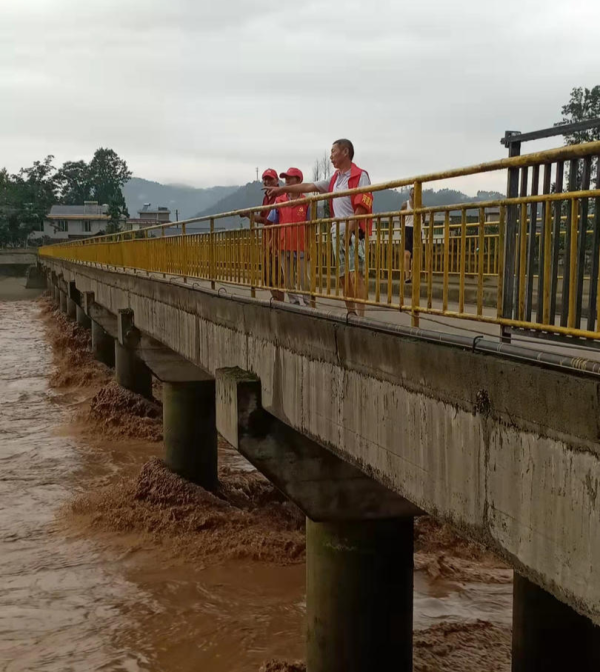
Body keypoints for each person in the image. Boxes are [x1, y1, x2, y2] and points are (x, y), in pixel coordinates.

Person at [266, 139, 373, 316]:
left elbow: (362, 205)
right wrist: (279, 191)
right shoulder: (335, 179)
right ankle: (351, 313)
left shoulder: (360, 175)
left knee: (356, 274)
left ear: (345, 152)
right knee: (343, 275)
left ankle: (362, 316)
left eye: (333, 151)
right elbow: (310, 185)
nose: (330, 156)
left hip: (353, 231)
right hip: (336, 230)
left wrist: (349, 229)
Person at [267, 168, 310, 306]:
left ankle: (309, 301)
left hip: (301, 243)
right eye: (286, 178)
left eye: (290, 178)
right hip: (284, 243)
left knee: (304, 277)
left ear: (298, 181)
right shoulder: (279, 200)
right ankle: (294, 302)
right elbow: (274, 222)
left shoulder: (307, 201)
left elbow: (310, 225)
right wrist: (273, 242)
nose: (287, 181)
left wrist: (310, 246)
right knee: (289, 277)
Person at [241, 169, 284, 301]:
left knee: (277, 276)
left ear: (276, 181)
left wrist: (274, 240)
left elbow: (274, 220)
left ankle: (281, 303)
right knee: (268, 276)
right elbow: (264, 219)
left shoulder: (280, 196)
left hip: (276, 239)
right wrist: (250, 215)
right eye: (265, 179)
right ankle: (277, 301)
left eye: (270, 179)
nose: (267, 181)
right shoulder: (266, 197)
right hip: (266, 239)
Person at [400, 187, 414, 283]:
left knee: (415, 256)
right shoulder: (405, 204)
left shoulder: (421, 206)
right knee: (407, 255)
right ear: (410, 194)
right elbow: (401, 217)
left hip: (417, 230)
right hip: (407, 229)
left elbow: (424, 218)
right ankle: (407, 276)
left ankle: (413, 276)